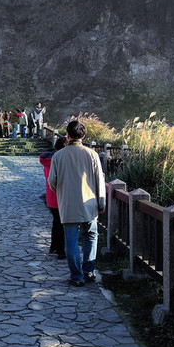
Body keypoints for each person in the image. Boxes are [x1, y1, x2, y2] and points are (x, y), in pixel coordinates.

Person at [47, 120, 106, 287]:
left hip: (68, 205)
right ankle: (89, 270)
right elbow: (99, 181)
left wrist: (62, 191)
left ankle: (76, 276)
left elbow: (52, 182)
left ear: (67, 135)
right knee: (91, 236)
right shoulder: (92, 154)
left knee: (71, 240)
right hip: (89, 205)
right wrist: (101, 203)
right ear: (84, 136)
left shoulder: (58, 156)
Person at [40, 137, 67, 259]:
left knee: (56, 222)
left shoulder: (48, 159)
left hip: (51, 195)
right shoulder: (61, 159)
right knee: (62, 223)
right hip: (61, 194)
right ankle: (61, 251)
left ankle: (53, 246)